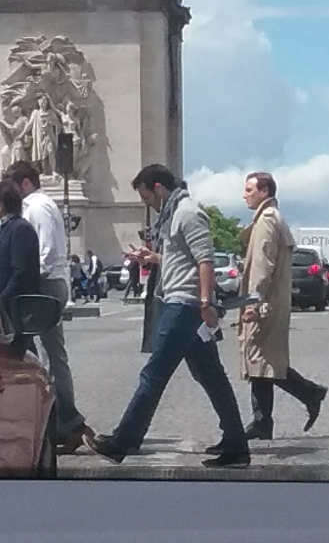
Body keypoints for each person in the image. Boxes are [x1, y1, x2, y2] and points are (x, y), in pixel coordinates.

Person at [84, 164, 249, 468]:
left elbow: (205, 260)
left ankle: (124, 440)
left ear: (158, 188)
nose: (148, 203)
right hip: (182, 302)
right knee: (211, 377)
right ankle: (237, 443)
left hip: (185, 305)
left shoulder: (187, 212)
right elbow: (182, 259)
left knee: (154, 374)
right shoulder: (173, 214)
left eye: (147, 196)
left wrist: (204, 302)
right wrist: (153, 258)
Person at [232, 171, 327, 444]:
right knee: (260, 361)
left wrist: (253, 301)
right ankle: (264, 421)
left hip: (264, 304)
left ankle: (309, 393)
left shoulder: (266, 221)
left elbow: (262, 265)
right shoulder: (272, 218)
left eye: (249, 189)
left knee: (263, 360)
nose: (244, 194)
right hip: (272, 302)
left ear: (264, 191)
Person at [5, 160, 94, 451]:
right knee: (40, 354)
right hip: (45, 284)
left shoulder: (37, 207)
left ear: (25, 184)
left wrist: (28, 280)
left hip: (44, 285)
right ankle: (57, 420)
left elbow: (44, 251)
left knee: (50, 357)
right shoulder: (41, 204)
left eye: (12, 186)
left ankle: (68, 421)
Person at [0, 178, 40, 325]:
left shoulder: (20, 229)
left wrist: (3, 298)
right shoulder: (6, 228)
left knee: (13, 347)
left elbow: (20, 271)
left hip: (13, 308)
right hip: (6, 308)